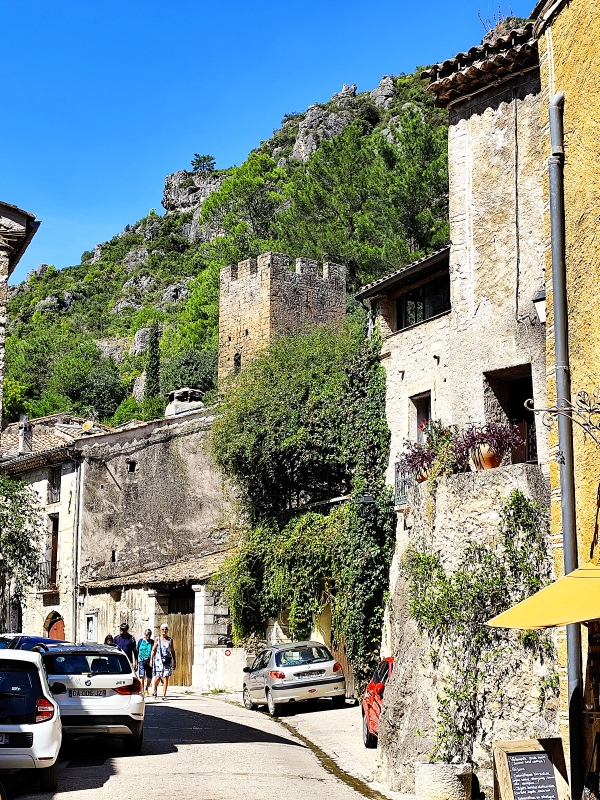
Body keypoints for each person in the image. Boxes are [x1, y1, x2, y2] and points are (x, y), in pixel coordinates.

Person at [151, 623, 176, 700]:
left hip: (167, 662)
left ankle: (164, 695)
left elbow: (172, 651)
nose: (164, 631)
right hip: (158, 662)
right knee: (158, 678)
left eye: (166, 629)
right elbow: (153, 650)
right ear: (160, 630)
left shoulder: (170, 640)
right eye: (163, 629)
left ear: (167, 630)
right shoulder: (157, 639)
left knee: (166, 678)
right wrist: (151, 660)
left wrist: (174, 661)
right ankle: (155, 690)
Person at [137, 629, 154, 696]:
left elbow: (153, 651)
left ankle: (146, 688)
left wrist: (152, 660)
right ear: (144, 634)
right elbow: (137, 650)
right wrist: (136, 660)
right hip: (141, 660)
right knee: (142, 676)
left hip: (149, 660)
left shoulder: (152, 642)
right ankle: (142, 691)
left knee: (149, 677)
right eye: (147, 634)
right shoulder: (140, 641)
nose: (148, 636)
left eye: (150, 634)